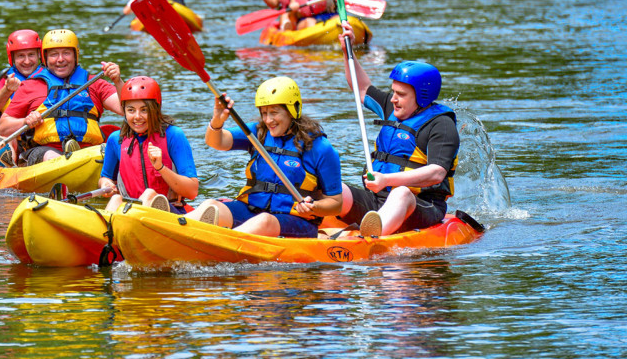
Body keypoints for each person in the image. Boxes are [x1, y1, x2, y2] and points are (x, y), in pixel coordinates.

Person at [336, 23, 459, 237]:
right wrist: (348, 50)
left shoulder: (441, 124)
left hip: (421, 205)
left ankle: (372, 238)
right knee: (336, 190)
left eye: (401, 94)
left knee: (401, 193)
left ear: (422, 97)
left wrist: (387, 180)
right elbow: (362, 88)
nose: (393, 99)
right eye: (393, 92)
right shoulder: (391, 108)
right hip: (377, 199)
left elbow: (437, 173)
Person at [186, 76, 343, 238]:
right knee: (211, 206)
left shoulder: (319, 147)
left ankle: (218, 242)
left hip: (296, 220)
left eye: (274, 112)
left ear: (292, 110)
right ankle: (177, 229)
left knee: (264, 221)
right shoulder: (257, 133)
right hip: (252, 211)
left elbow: (336, 203)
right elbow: (216, 142)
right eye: (264, 113)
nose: (268, 120)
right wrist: (217, 121)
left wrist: (313, 207)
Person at [0, 29, 124, 166]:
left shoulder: (94, 83)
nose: (60, 59)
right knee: (51, 156)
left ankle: (83, 163)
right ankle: (68, 165)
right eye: (54, 54)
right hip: (44, 153)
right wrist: (25, 121)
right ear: (45, 58)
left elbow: (125, 109)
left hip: (89, 152)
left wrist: (117, 81)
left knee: (108, 150)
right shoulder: (29, 86)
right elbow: (3, 128)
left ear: (75, 55)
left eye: (66, 53)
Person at [98, 76, 199, 213]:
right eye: (131, 110)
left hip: (170, 211)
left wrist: (161, 168)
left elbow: (192, 191)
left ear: (155, 109)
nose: (137, 116)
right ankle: (106, 226)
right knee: (116, 199)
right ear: (124, 111)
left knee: (149, 194)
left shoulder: (173, 135)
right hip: (130, 211)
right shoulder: (116, 140)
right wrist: (105, 183)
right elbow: (105, 177)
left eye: (144, 110)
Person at [0, 29, 44, 166]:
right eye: (21, 56)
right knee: (6, 136)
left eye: (31, 55)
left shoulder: (49, 78)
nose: (27, 61)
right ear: (11, 58)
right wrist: (7, 90)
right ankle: (7, 162)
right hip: (11, 139)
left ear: (39, 55)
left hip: (40, 139)